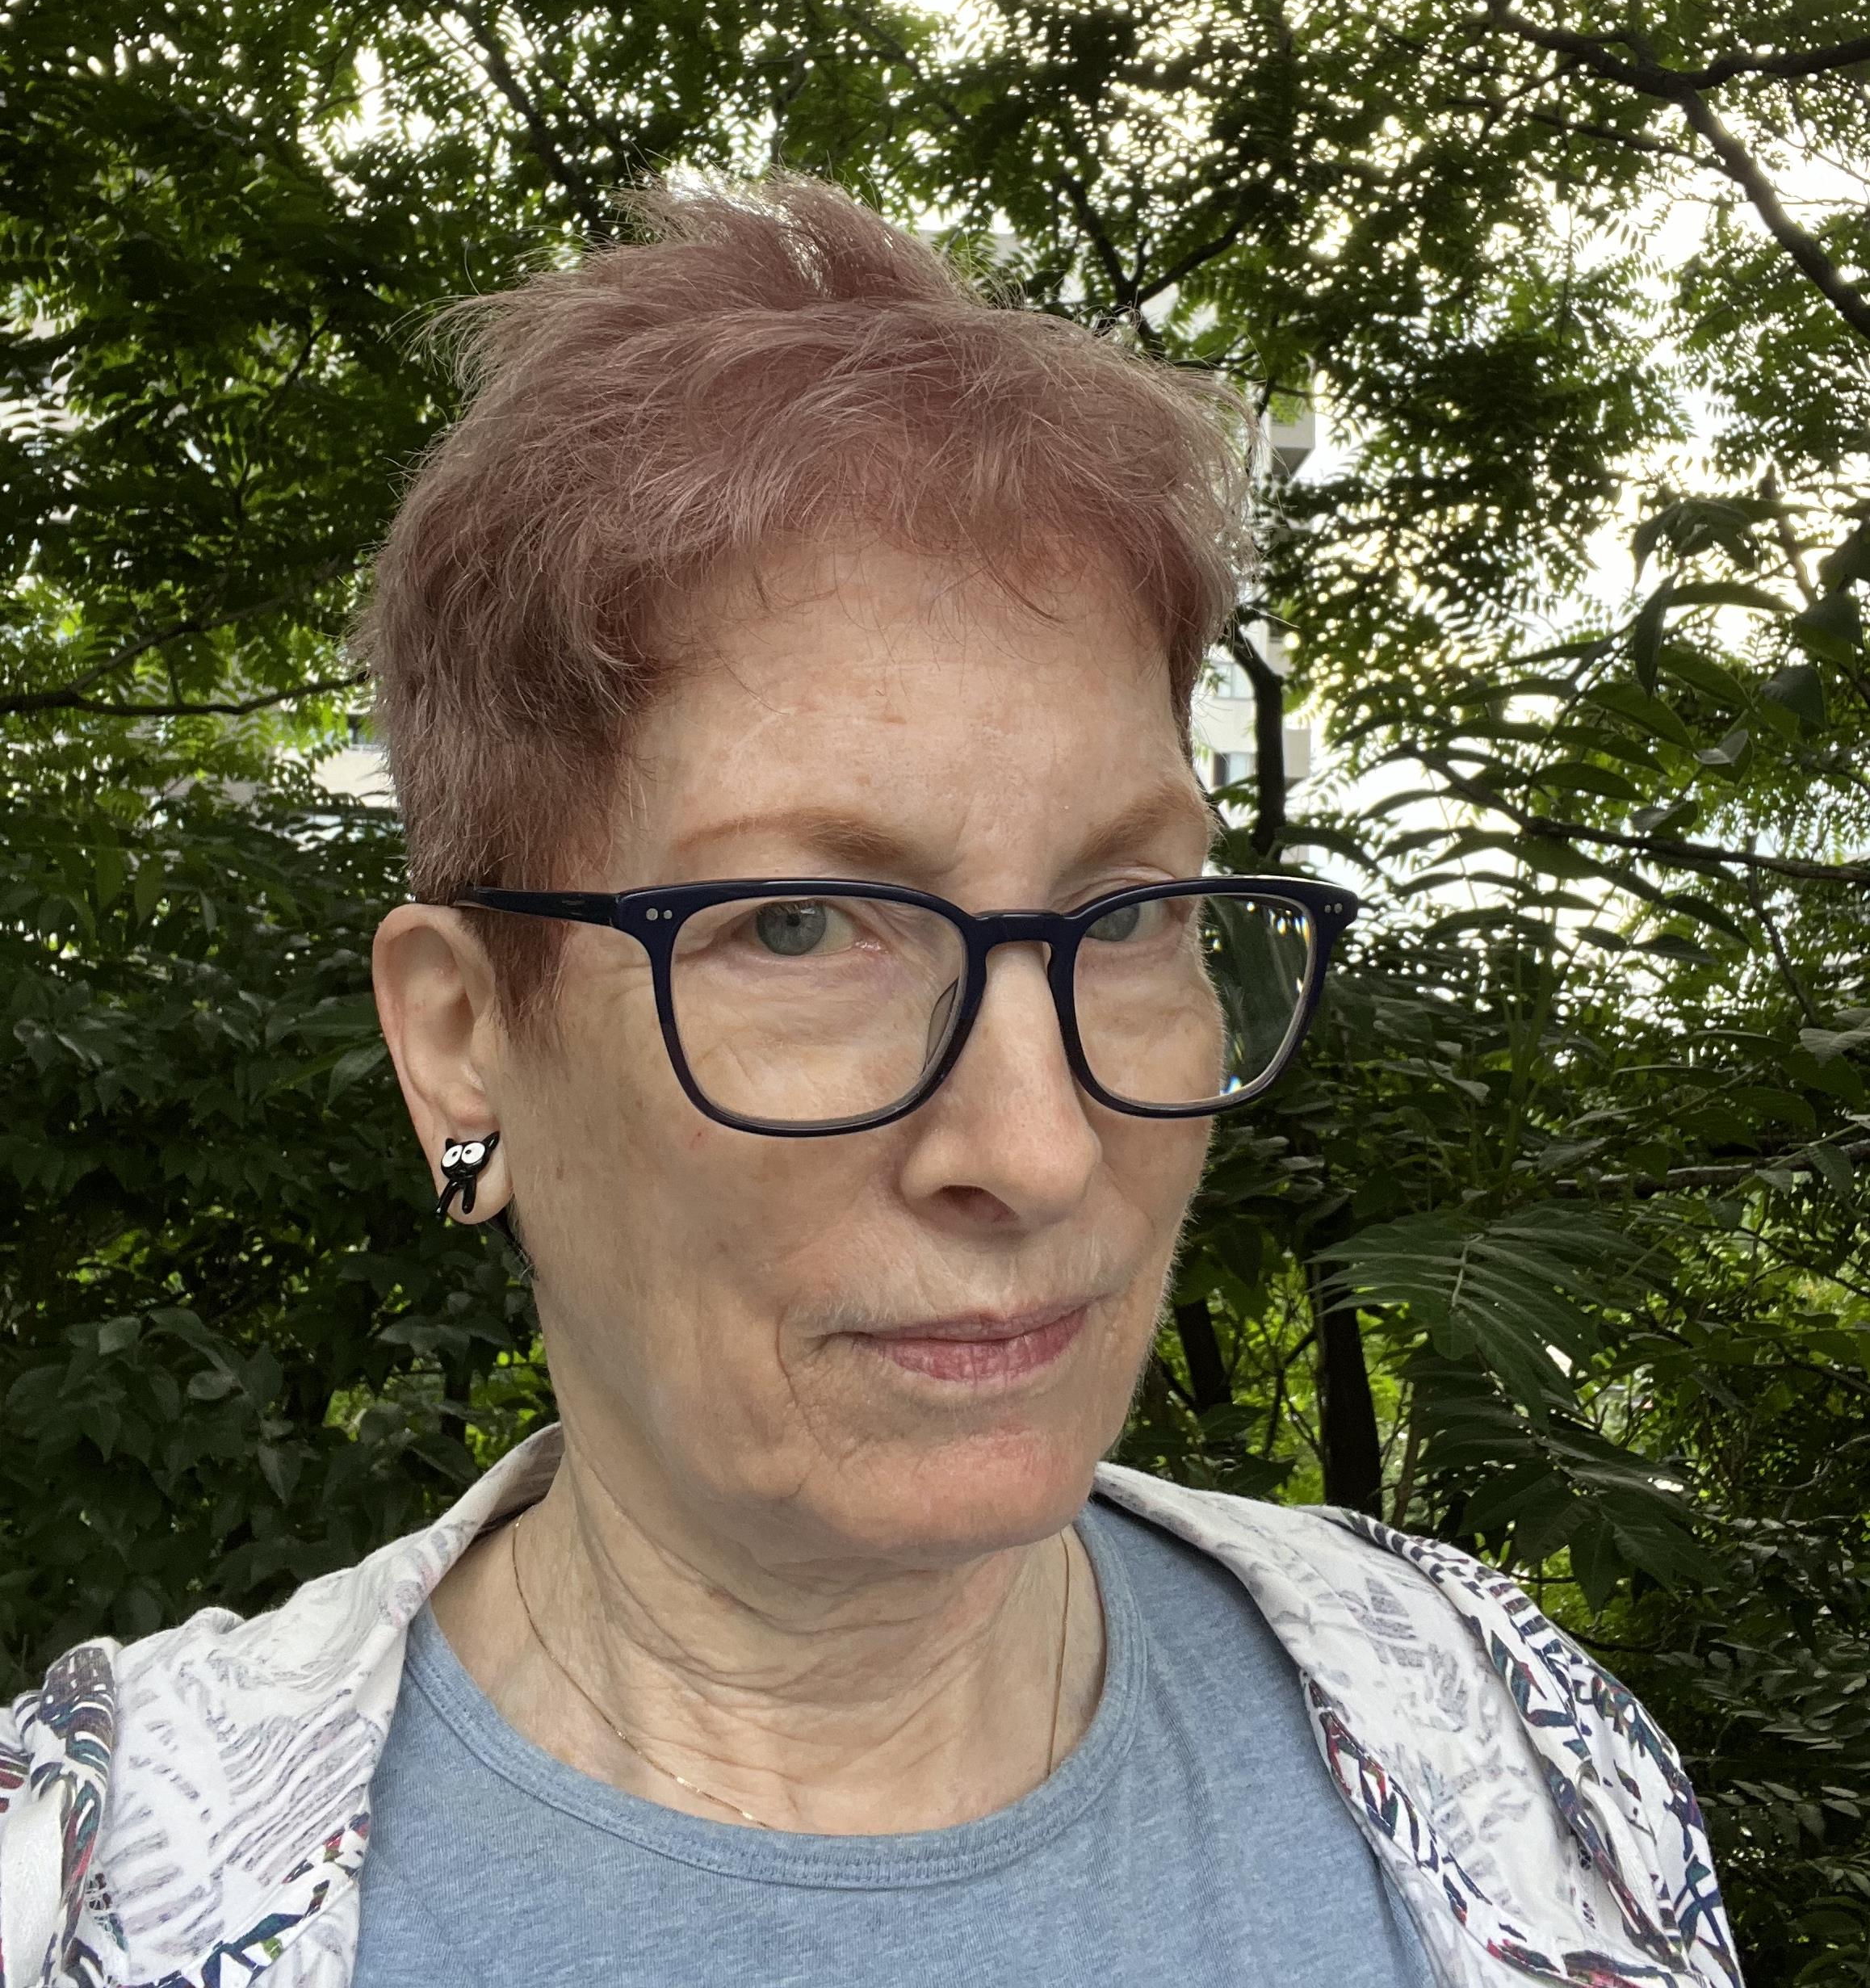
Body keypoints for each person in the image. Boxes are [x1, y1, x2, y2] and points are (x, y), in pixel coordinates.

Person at [0, 179, 1739, 1988]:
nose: (1038, 1148)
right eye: (801, 925)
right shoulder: (92, 1894)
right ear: (461, 1038)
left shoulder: (1506, 1737)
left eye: (1131, 909)